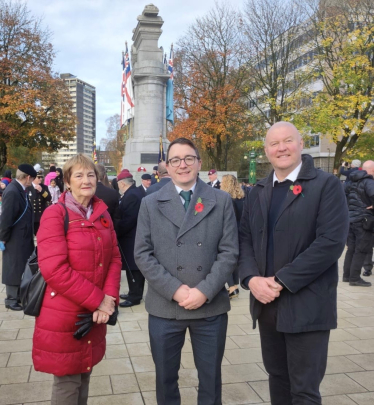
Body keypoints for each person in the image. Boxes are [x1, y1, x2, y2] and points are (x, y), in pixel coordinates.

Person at [238, 122, 349, 405]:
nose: (281, 148)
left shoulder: (326, 185)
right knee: (277, 377)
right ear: (266, 151)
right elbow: (244, 239)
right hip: (267, 306)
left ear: (301, 144)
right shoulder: (258, 190)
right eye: (274, 144)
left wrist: (280, 280)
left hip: (307, 306)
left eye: (288, 141)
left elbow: (330, 243)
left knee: (304, 390)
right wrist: (251, 278)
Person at [134, 137, 238, 405]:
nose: (183, 165)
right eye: (175, 160)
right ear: (166, 167)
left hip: (210, 306)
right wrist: (175, 290)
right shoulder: (151, 202)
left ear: (199, 163)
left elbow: (229, 253)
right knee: (166, 379)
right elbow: (142, 254)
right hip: (165, 307)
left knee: (211, 379)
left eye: (189, 158)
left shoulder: (221, 200)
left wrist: (204, 290)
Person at [32, 153, 121, 405]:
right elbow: (54, 269)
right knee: (68, 380)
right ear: (67, 182)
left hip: (94, 313)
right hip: (65, 313)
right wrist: (99, 301)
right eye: (79, 175)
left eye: (91, 174)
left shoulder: (102, 214)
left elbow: (115, 258)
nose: (86, 180)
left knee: (85, 371)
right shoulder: (55, 214)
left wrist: (110, 299)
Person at [0, 164, 37, 311]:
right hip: (14, 237)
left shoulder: (20, 189)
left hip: (22, 236)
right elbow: (6, 218)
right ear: (28, 177)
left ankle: (19, 296)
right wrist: (2, 238)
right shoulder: (13, 191)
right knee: (13, 266)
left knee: (21, 266)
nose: (33, 182)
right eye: (32, 179)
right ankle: (11, 299)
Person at [114, 170, 145, 308]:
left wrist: (117, 231)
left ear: (122, 183)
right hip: (132, 236)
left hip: (132, 237)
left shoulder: (132, 195)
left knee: (134, 266)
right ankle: (133, 291)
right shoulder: (133, 192)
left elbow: (129, 219)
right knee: (131, 266)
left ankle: (135, 296)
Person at [342, 160, 374, 287]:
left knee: (351, 249)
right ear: (371, 170)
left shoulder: (350, 181)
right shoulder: (369, 182)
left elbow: (341, 197)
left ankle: (347, 275)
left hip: (350, 219)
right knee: (361, 250)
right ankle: (354, 278)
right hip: (364, 220)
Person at [220, 174, 245, 299]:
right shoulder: (242, 197)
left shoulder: (227, 198)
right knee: (234, 261)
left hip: (230, 232)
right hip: (241, 231)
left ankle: (231, 287)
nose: (220, 184)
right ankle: (234, 285)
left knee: (225, 258)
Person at [27, 171, 51, 235]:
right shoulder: (28, 187)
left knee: (40, 234)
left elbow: (49, 198)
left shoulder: (44, 187)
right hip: (31, 216)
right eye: (39, 177)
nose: (40, 179)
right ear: (34, 178)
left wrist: (42, 191)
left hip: (40, 215)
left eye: (41, 177)